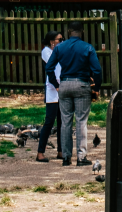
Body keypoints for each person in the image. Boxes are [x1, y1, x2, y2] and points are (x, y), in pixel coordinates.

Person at [45, 21, 102, 166]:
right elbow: (97, 70)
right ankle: (81, 157)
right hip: (82, 84)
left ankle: (66, 156)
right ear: (82, 31)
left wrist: (56, 84)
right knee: (81, 121)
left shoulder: (59, 48)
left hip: (64, 84)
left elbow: (49, 68)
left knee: (65, 122)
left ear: (69, 31)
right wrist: (96, 88)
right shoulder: (88, 47)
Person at [37, 31, 64, 162]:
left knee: (62, 122)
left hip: (61, 88)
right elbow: (51, 67)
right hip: (52, 90)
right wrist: (56, 84)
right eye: (59, 39)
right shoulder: (46, 52)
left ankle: (61, 150)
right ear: (52, 41)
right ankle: (40, 152)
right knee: (49, 121)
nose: (61, 41)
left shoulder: (60, 50)